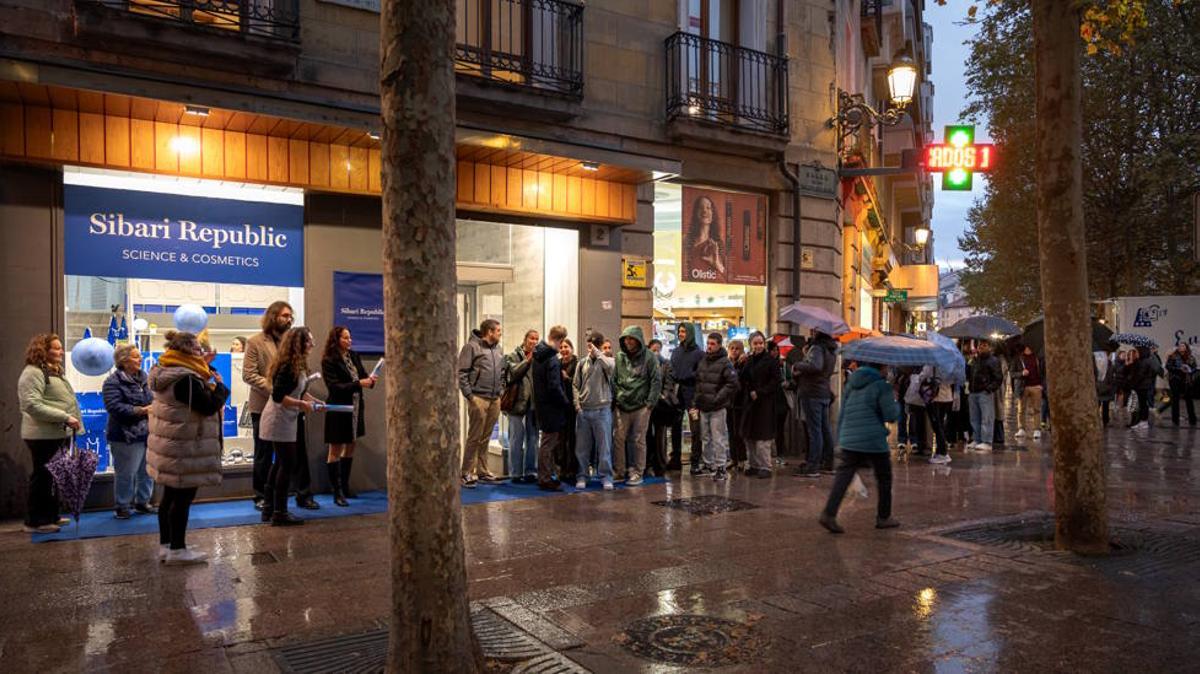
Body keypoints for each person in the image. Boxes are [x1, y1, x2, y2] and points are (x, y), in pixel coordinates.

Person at [147, 330, 229, 564]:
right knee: (182, 498)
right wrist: (220, 387)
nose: (201, 353)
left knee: (170, 496)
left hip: (172, 444)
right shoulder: (186, 378)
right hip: (185, 445)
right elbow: (207, 406)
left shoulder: (165, 370)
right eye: (198, 349)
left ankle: (167, 544)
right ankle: (177, 549)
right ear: (188, 351)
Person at [819, 361, 901, 534]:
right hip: (873, 439)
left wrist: (841, 436)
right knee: (884, 477)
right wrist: (895, 400)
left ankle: (829, 513)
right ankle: (884, 517)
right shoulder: (882, 386)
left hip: (849, 437)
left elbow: (842, 412)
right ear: (882, 367)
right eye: (886, 367)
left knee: (844, 476)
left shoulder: (852, 382)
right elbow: (891, 415)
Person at [260, 327, 325, 525]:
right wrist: (302, 405)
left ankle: (270, 509)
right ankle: (279, 512)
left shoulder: (297, 364)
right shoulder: (288, 365)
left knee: (280, 463)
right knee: (286, 464)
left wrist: (313, 401)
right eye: (308, 341)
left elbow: (298, 391)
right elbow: (279, 396)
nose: (312, 345)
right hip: (278, 418)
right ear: (298, 343)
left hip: (287, 418)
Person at [18, 333, 80, 533]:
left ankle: (51, 515)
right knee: (43, 478)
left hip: (55, 434)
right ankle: (36, 521)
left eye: (61, 347)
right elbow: (31, 404)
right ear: (43, 350)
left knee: (53, 477)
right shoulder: (33, 372)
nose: (61, 351)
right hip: (42, 436)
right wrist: (64, 416)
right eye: (56, 348)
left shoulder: (52, 371)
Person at [243, 301, 300, 510]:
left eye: (290, 316)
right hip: (262, 405)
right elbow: (248, 375)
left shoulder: (289, 341)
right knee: (263, 453)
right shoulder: (255, 342)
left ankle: (279, 493)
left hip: (287, 407)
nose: (288, 319)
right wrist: (275, 389)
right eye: (284, 315)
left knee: (286, 454)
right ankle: (260, 495)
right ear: (273, 316)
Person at [320, 326, 376, 507]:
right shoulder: (329, 360)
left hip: (356, 406)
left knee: (351, 445)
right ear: (336, 340)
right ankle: (336, 492)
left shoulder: (353, 355)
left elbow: (363, 377)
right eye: (345, 338)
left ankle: (345, 486)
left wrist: (370, 379)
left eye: (350, 337)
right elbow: (335, 387)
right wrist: (359, 383)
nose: (349, 341)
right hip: (339, 407)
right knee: (335, 449)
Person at [102, 343, 156, 519]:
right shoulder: (112, 382)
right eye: (135, 356)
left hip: (148, 432)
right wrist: (141, 410)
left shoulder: (144, 378)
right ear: (124, 361)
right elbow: (114, 407)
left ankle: (143, 502)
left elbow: (152, 399)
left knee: (147, 471)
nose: (140, 359)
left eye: (139, 356)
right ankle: (122, 505)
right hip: (125, 435)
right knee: (126, 472)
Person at [456, 319, 505, 488]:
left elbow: (503, 371)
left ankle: (482, 471)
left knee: (486, 437)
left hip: (494, 398)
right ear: (489, 332)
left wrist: (501, 390)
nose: (500, 333)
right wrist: (470, 396)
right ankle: (466, 473)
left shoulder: (498, 348)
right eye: (498, 330)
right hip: (478, 398)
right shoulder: (471, 347)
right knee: (475, 437)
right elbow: (462, 373)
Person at [613, 326, 663, 485]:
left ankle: (637, 472)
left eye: (631, 338)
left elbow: (656, 381)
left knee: (638, 440)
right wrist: (617, 397)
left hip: (642, 407)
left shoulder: (649, 357)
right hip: (622, 405)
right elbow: (614, 379)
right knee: (618, 439)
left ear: (638, 340)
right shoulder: (620, 357)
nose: (628, 342)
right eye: (625, 339)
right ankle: (619, 471)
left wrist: (650, 403)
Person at [692, 332, 739, 481]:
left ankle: (721, 467)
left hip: (717, 407)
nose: (709, 346)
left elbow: (733, 383)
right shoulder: (703, 361)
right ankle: (709, 464)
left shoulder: (725, 362)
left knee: (718, 437)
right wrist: (696, 401)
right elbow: (699, 383)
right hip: (704, 405)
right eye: (708, 343)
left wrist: (718, 398)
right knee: (705, 437)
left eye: (712, 344)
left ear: (719, 345)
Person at [573, 332, 615, 490]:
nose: (590, 347)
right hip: (584, 411)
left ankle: (606, 476)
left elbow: (611, 368)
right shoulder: (582, 363)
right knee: (582, 448)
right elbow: (576, 384)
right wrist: (577, 404)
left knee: (604, 447)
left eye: (594, 344)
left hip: (602, 410)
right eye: (589, 344)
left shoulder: (607, 361)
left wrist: (598, 352)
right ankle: (582, 475)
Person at [531, 325, 571, 491]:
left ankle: (545, 475)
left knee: (545, 442)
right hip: (552, 408)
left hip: (541, 405)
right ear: (561, 340)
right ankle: (545, 478)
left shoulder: (537, 355)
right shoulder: (552, 359)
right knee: (548, 444)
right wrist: (565, 402)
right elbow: (554, 387)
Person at [792, 330, 836, 478]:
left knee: (815, 431)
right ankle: (828, 463)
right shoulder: (830, 349)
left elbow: (815, 366)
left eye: (814, 329)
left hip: (812, 393)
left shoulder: (817, 348)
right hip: (823, 392)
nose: (811, 331)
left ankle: (813, 466)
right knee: (824, 429)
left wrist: (799, 365)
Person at [741, 331, 781, 478]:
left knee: (763, 437)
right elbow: (743, 378)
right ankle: (753, 464)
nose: (758, 346)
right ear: (751, 344)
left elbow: (776, 381)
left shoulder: (770, 360)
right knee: (750, 436)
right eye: (755, 343)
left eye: (761, 343)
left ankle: (766, 466)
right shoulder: (749, 360)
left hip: (765, 402)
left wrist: (760, 392)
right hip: (750, 403)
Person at [503, 329, 539, 484]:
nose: (534, 342)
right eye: (532, 338)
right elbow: (513, 373)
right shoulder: (512, 356)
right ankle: (515, 473)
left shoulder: (539, 358)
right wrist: (528, 360)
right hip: (516, 403)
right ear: (525, 339)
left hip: (533, 404)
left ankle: (531, 471)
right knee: (516, 439)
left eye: (537, 339)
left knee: (533, 438)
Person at [670, 323, 705, 474]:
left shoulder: (698, 353)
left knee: (695, 429)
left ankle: (695, 461)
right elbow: (672, 370)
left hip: (693, 394)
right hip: (678, 394)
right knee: (675, 426)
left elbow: (701, 374)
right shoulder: (676, 352)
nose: (681, 334)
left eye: (684, 331)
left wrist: (689, 377)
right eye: (679, 331)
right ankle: (675, 458)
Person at [645, 339, 678, 477]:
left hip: (660, 406)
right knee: (646, 435)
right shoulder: (645, 364)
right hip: (647, 405)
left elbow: (669, 383)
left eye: (659, 349)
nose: (656, 352)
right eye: (654, 350)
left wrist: (662, 396)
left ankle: (660, 464)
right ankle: (647, 464)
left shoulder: (666, 364)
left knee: (660, 436)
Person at [967, 341, 1002, 452]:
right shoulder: (975, 360)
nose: (981, 347)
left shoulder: (993, 360)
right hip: (973, 391)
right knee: (974, 418)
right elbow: (969, 374)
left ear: (989, 347)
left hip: (984, 392)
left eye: (984, 345)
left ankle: (986, 441)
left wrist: (989, 388)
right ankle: (977, 439)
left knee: (986, 418)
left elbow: (998, 378)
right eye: (980, 345)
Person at [556, 339, 580, 482]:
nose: (564, 350)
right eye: (561, 347)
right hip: (560, 407)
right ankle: (561, 469)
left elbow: (580, 385)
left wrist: (567, 379)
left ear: (572, 348)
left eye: (566, 347)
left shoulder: (578, 365)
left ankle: (573, 469)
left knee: (573, 439)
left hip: (573, 407)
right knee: (560, 440)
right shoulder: (557, 364)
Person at [687, 195, 726, 276]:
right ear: (696, 213)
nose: (704, 211)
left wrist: (716, 263)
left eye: (708, 208)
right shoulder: (687, 242)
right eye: (701, 207)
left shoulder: (719, 244)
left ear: (713, 213)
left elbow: (727, 276)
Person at [726, 339, 749, 470]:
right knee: (730, 432)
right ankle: (733, 458)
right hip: (729, 403)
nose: (734, 351)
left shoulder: (744, 364)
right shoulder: (726, 364)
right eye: (732, 348)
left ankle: (742, 458)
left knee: (739, 433)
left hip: (740, 403)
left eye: (737, 348)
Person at [1015, 345, 1045, 440]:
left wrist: (1041, 385)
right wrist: (1021, 373)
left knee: (1036, 409)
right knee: (1021, 409)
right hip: (1023, 387)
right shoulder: (1019, 358)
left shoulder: (1038, 357)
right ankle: (1021, 429)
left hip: (1036, 386)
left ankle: (1037, 429)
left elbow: (1044, 372)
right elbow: (1012, 373)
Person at [927, 369, 955, 464]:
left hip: (936, 398)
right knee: (941, 425)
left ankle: (943, 452)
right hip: (947, 397)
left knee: (937, 426)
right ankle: (940, 451)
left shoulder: (932, 365)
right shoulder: (950, 365)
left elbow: (924, 376)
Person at [1165, 343, 1196, 427]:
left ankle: (1192, 419)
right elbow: (1168, 366)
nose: (1181, 347)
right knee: (1175, 400)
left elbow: (1194, 367)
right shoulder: (1173, 356)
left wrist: (1189, 370)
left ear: (1186, 348)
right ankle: (1175, 420)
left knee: (1189, 400)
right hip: (1175, 380)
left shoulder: (1190, 357)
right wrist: (1179, 369)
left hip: (1186, 381)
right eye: (1180, 346)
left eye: (1183, 346)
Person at [902, 367, 930, 457]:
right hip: (917, 398)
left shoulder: (926, 367)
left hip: (923, 397)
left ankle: (924, 446)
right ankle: (920, 446)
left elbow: (923, 377)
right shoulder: (916, 368)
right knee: (919, 422)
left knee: (922, 423)